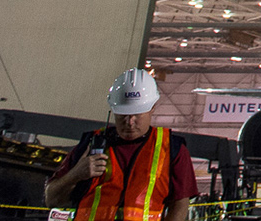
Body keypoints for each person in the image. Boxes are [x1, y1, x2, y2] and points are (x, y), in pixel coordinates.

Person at [44, 68, 198, 221]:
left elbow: (180, 204)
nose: (129, 122)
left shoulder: (172, 149)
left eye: (137, 114)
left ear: (152, 108)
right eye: (123, 114)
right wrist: (75, 175)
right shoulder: (90, 145)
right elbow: (51, 199)